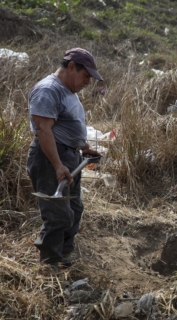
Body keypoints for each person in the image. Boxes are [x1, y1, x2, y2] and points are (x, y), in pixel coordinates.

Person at [27, 48, 103, 272]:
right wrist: (58, 165)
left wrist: (83, 147)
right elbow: (43, 130)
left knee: (74, 209)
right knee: (58, 214)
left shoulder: (68, 91)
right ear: (71, 67)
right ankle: (49, 263)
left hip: (70, 156)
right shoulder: (48, 90)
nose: (87, 82)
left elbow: (65, 125)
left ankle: (64, 255)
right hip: (50, 158)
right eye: (85, 76)